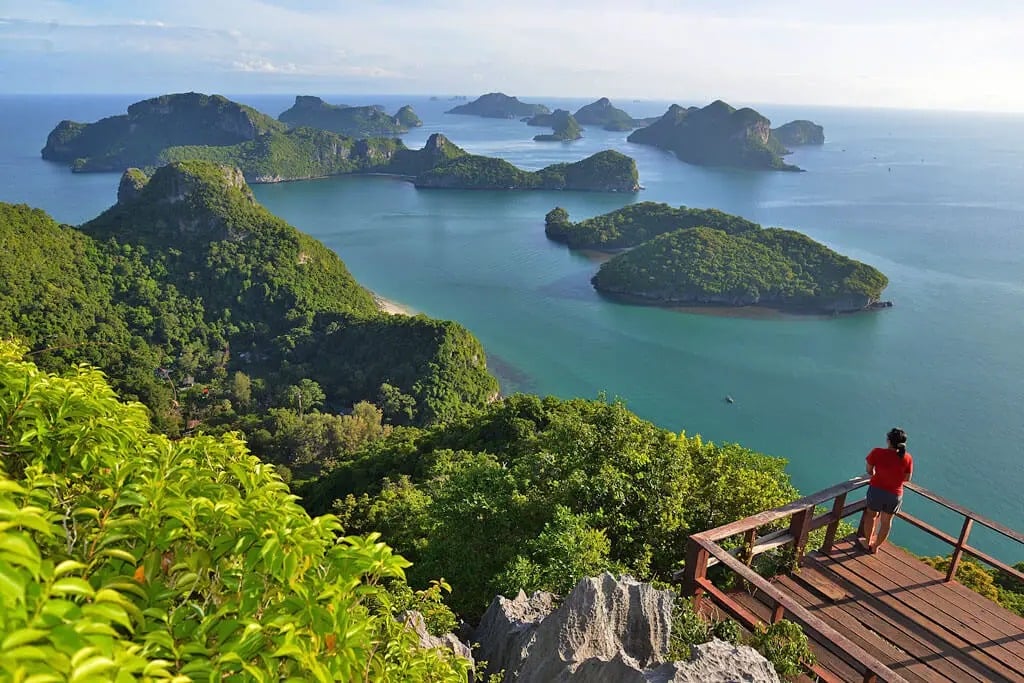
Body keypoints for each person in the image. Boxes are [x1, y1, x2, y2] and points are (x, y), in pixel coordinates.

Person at [858, 427, 913, 554]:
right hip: (895, 494)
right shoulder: (907, 458)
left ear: (888, 441)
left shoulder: (877, 452)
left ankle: (867, 543)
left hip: (876, 490)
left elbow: (869, 470)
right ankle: (876, 546)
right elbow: (907, 478)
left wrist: (877, 475)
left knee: (871, 516)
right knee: (886, 522)